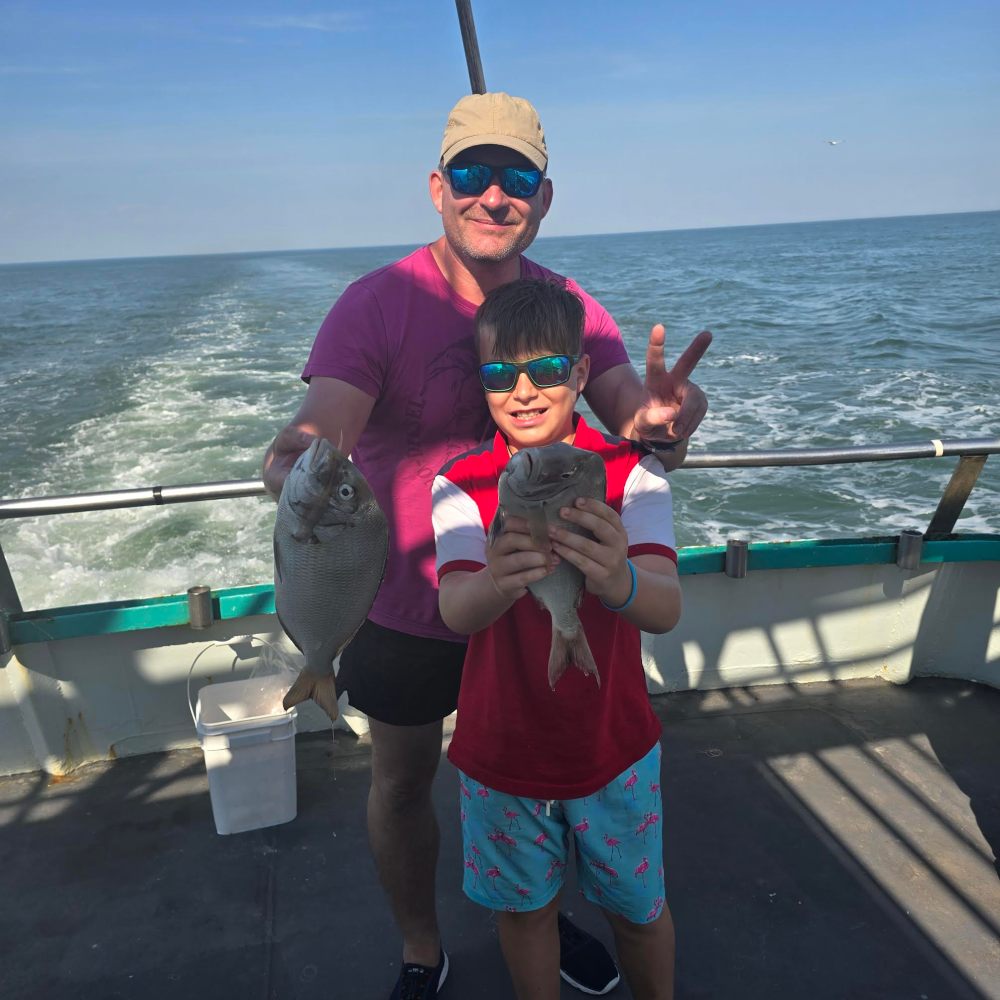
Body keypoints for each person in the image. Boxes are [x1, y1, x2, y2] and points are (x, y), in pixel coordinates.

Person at [262, 91, 709, 999]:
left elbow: (635, 419)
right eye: (472, 174)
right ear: (438, 187)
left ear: (544, 201)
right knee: (400, 784)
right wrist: (299, 454)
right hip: (401, 601)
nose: (492, 196)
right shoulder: (377, 302)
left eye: (517, 179)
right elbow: (324, 426)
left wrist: (668, 426)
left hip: (542, 600)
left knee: (545, 779)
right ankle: (422, 946)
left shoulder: (566, 307)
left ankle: (545, 916)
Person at [432, 278, 681, 1000]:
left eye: (546, 371)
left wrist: (617, 581)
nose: (524, 391)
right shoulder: (461, 483)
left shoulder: (633, 474)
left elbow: (663, 607)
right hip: (500, 752)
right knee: (525, 916)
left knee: (638, 914)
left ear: (578, 374)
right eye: (498, 374)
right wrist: (499, 580)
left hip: (615, 745)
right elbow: (455, 609)